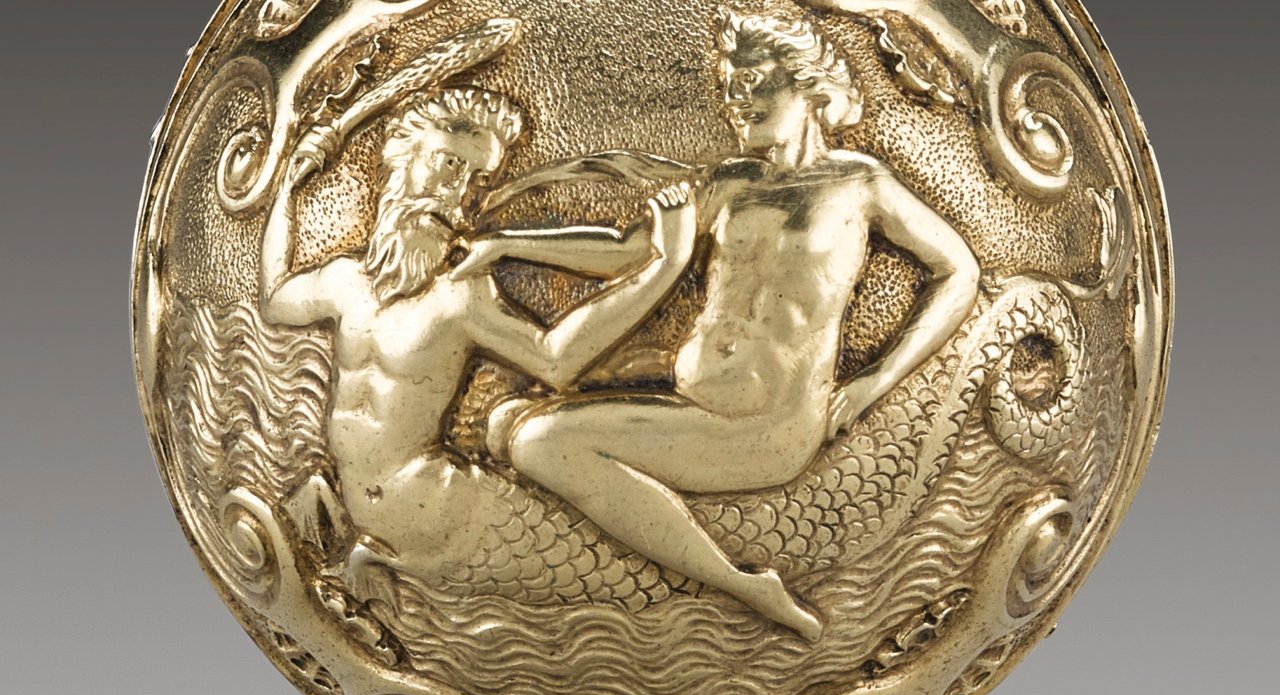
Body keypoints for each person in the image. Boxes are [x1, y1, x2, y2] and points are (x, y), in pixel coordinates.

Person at [461, 10, 981, 639]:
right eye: (730, 86)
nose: (736, 100)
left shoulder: (859, 183)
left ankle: (740, 585)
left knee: (539, 442)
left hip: (768, 424)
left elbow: (960, 271)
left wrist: (874, 382)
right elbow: (629, 253)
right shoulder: (730, 181)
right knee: (508, 427)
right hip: (696, 402)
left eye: (753, 82)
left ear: (805, 83)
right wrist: (509, 243)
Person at [259, 86, 696, 583]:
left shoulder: (460, 296)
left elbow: (555, 362)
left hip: (441, 512)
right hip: (359, 509)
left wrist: (665, 268)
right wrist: (287, 188)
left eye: (476, 179)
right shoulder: (345, 281)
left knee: (613, 579)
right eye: (448, 164)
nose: (459, 193)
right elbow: (274, 299)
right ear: (401, 159)